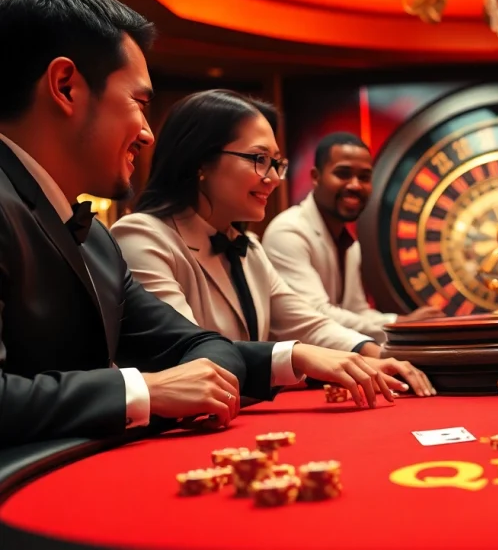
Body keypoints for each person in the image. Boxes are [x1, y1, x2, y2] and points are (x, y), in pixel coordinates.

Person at [0, 0, 282, 446]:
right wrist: (142, 390)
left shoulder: (97, 241)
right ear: (65, 87)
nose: (149, 134)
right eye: (140, 102)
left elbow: (200, 346)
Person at [111, 90, 435, 398]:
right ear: (200, 163)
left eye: (276, 162)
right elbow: (190, 355)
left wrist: (376, 357)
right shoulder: (143, 236)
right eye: (259, 159)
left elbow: (307, 323)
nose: (275, 177)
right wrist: (296, 355)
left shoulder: (248, 247)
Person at [262, 132, 442, 342]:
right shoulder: (288, 231)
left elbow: (356, 310)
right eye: (343, 174)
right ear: (315, 177)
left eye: (364, 177)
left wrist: (405, 322)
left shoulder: (350, 244)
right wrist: (399, 324)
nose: (355, 185)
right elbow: (316, 314)